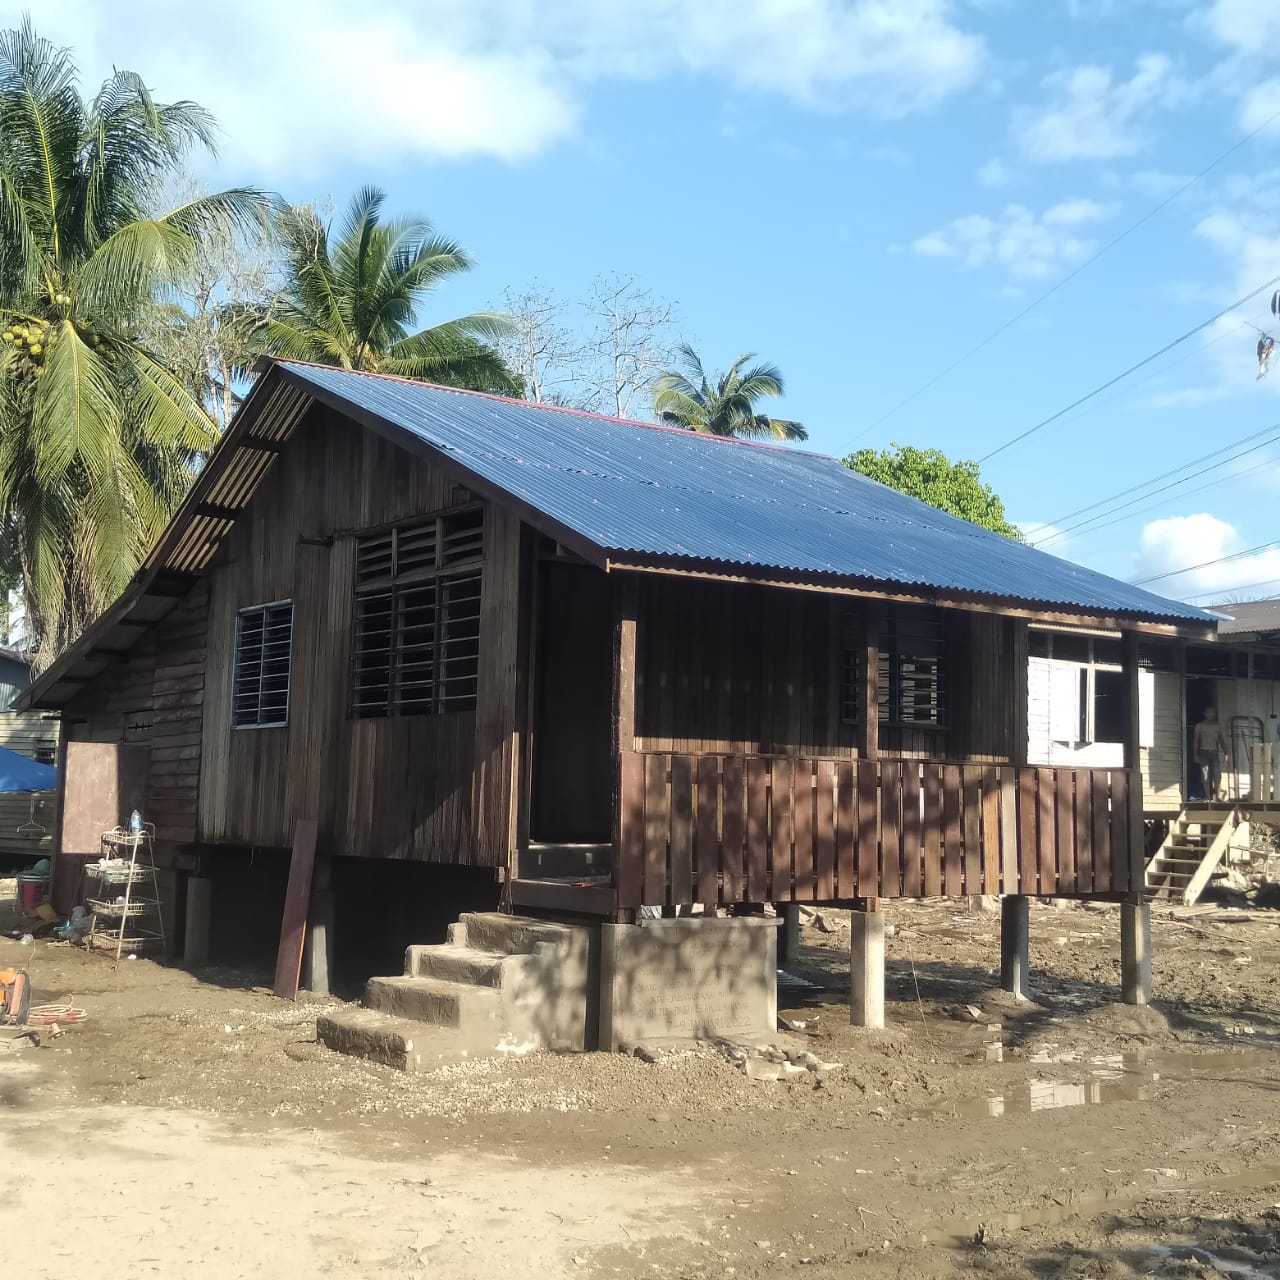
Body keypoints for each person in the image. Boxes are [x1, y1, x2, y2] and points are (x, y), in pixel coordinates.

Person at [1193, 707, 1228, 801]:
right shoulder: (1199, 726)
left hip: (1214, 753)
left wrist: (1226, 753)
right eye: (1208, 712)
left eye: (1212, 713)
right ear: (1205, 713)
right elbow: (1196, 741)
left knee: (1217, 775)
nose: (1210, 714)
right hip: (1203, 752)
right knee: (1205, 776)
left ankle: (1218, 796)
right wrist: (1195, 754)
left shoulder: (1218, 726)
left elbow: (1221, 740)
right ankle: (1208, 797)